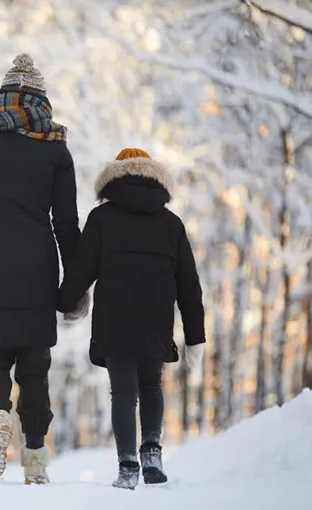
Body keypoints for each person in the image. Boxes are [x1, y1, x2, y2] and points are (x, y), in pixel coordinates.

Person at [0, 53, 87, 485]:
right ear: (41, 100)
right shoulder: (54, 147)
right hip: (36, 265)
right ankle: (34, 456)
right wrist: (76, 282)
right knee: (34, 362)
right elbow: (66, 222)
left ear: (0, 96)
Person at [57, 148, 206, 489]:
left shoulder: (102, 219)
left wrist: (62, 304)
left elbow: (81, 271)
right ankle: (151, 450)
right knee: (151, 384)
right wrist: (195, 336)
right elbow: (189, 285)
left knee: (123, 392)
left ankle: (127, 465)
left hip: (114, 317)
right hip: (156, 317)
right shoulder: (172, 224)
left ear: (114, 177)